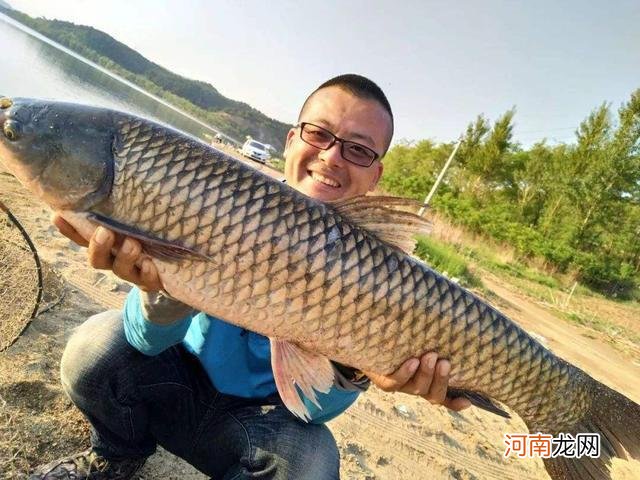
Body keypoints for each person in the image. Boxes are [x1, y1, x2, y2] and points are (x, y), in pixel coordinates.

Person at [31, 74, 470, 480]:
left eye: (357, 149)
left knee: (313, 464)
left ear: (375, 175)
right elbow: (144, 342)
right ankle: (118, 453)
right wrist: (161, 290)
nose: (332, 157)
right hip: (173, 384)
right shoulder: (214, 197)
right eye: (318, 134)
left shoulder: (381, 275)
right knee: (95, 348)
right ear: (291, 140)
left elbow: (311, 413)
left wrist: (358, 371)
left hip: (256, 424)